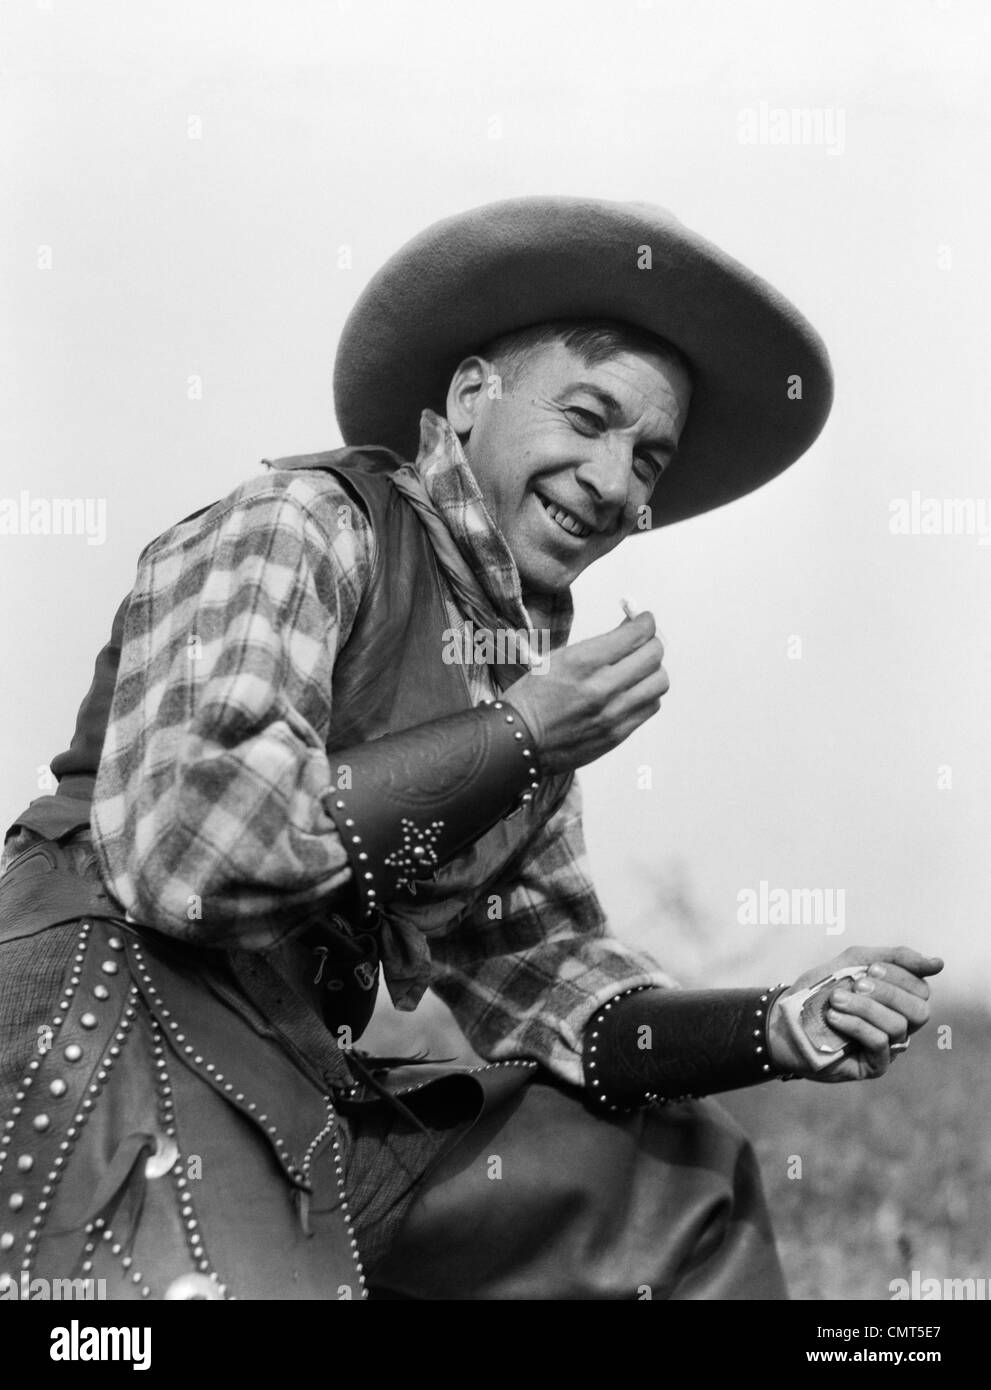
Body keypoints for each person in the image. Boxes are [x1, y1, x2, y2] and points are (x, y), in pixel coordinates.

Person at [0, 196, 941, 1301]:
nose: (614, 483)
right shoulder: (301, 526)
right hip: (108, 1036)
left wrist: (775, 1021)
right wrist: (520, 736)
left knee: (681, 1188)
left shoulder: (522, 670)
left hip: (299, 1087)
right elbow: (194, 863)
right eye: (588, 418)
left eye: (649, 459)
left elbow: (541, 976)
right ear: (467, 398)